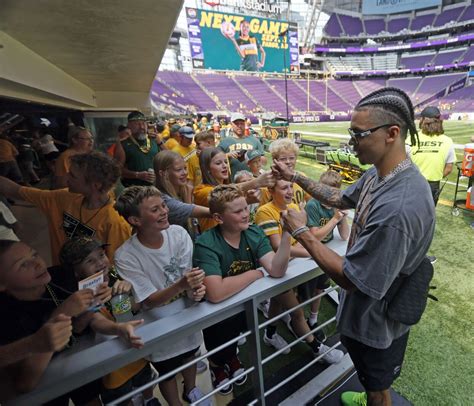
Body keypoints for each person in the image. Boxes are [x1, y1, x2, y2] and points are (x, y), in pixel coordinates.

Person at [272, 87, 436, 406]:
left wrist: (302, 232)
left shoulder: (398, 209)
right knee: (368, 377)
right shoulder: (381, 174)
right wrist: (297, 177)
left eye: (359, 134)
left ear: (392, 133)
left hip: (377, 321)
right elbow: (340, 197)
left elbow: (352, 279)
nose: (351, 142)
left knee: (377, 387)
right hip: (368, 312)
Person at [0, 240, 142, 404]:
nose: (37, 264)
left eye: (35, 254)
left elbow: (88, 318)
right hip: (43, 391)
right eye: (23, 264)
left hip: (78, 365)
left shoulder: (57, 277)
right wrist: (63, 312)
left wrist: (117, 327)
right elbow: (25, 383)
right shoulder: (6, 316)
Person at [114, 186, 210, 406]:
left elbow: (187, 275)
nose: (164, 211)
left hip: (187, 314)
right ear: (135, 220)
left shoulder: (179, 233)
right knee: (168, 368)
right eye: (155, 209)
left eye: (164, 205)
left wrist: (195, 290)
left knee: (191, 354)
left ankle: (191, 389)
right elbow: (148, 300)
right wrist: (182, 285)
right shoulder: (125, 255)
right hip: (157, 324)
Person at [193, 184, 291, 395]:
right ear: (219, 218)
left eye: (245, 208)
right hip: (216, 318)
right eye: (238, 211)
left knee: (236, 335)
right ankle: (217, 367)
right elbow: (216, 293)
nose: (246, 214)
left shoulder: (252, 232)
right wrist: (254, 274)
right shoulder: (206, 243)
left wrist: (287, 235)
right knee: (218, 345)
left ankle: (232, 359)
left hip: (242, 307)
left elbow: (276, 269)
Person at [59, 237, 159, 406]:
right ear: (75, 272)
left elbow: (130, 310)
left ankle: (148, 399)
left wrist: (127, 291)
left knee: (146, 383)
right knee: (122, 399)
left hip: (135, 352)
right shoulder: (78, 297)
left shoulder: (114, 277)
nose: (101, 263)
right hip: (111, 367)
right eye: (90, 261)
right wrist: (114, 324)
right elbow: (94, 323)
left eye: (101, 255)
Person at [255, 179, 343, 361]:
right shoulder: (264, 212)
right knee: (296, 311)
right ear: (271, 191)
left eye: (290, 187)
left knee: (278, 302)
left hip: (293, 269)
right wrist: (309, 251)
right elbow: (277, 247)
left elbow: (301, 237)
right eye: (283, 187)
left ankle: (269, 334)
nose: (289, 191)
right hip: (275, 270)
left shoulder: (294, 206)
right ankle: (318, 349)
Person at [0, 151, 131, 265]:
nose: (66, 177)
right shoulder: (62, 197)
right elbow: (15, 190)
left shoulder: (116, 222)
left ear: (95, 185)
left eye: (73, 175)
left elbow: (116, 265)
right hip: (63, 273)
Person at [304, 170, 349, 333]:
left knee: (320, 287)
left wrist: (342, 216)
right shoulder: (313, 204)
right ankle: (295, 319)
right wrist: (335, 219)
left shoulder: (336, 206)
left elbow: (344, 236)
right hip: (308, 253)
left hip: (325, 251)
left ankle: (313, 318)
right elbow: (315, 236)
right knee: (304, 291)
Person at [193, 147, 274, 232]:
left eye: (225, 162)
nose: (224, 166)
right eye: (218, 163)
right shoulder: (200, 191)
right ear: (207, 169)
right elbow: (221, 193)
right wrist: (255, 182)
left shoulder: (228, 186)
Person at [154, 150, 211, 232]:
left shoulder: (183, 191)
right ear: (163, 173)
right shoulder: (162, 200)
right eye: (178, 170)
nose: (185, 173)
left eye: (185, 168)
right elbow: (207, 212)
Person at [116, 111, 164, 187]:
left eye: (143, 123)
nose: (141, 127)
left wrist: (160, 143)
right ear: (129, 126)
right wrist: (137, 175)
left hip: (155, 187)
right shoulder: (123, 144)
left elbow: (169, 158)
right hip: (134, 189)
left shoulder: (154, 140)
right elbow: (117, 170)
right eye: (137, 124)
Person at [261, 138, 310, 206]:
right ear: (275, 161)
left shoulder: (302, 177)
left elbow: (310, 201)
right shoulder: (269, 183)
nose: (288, 162)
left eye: (291, 158)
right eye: (283, 159)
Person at [219, 113, 264, 178]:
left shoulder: (255, 140)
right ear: (231, 124)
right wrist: (227, 155)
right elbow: (215, 160)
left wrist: (254, 156)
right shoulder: (225, 142)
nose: (239, 126)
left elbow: (264, 160)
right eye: (236, 123)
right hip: (232, 181)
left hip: (252, 181)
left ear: (245, 124)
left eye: (241, 123)